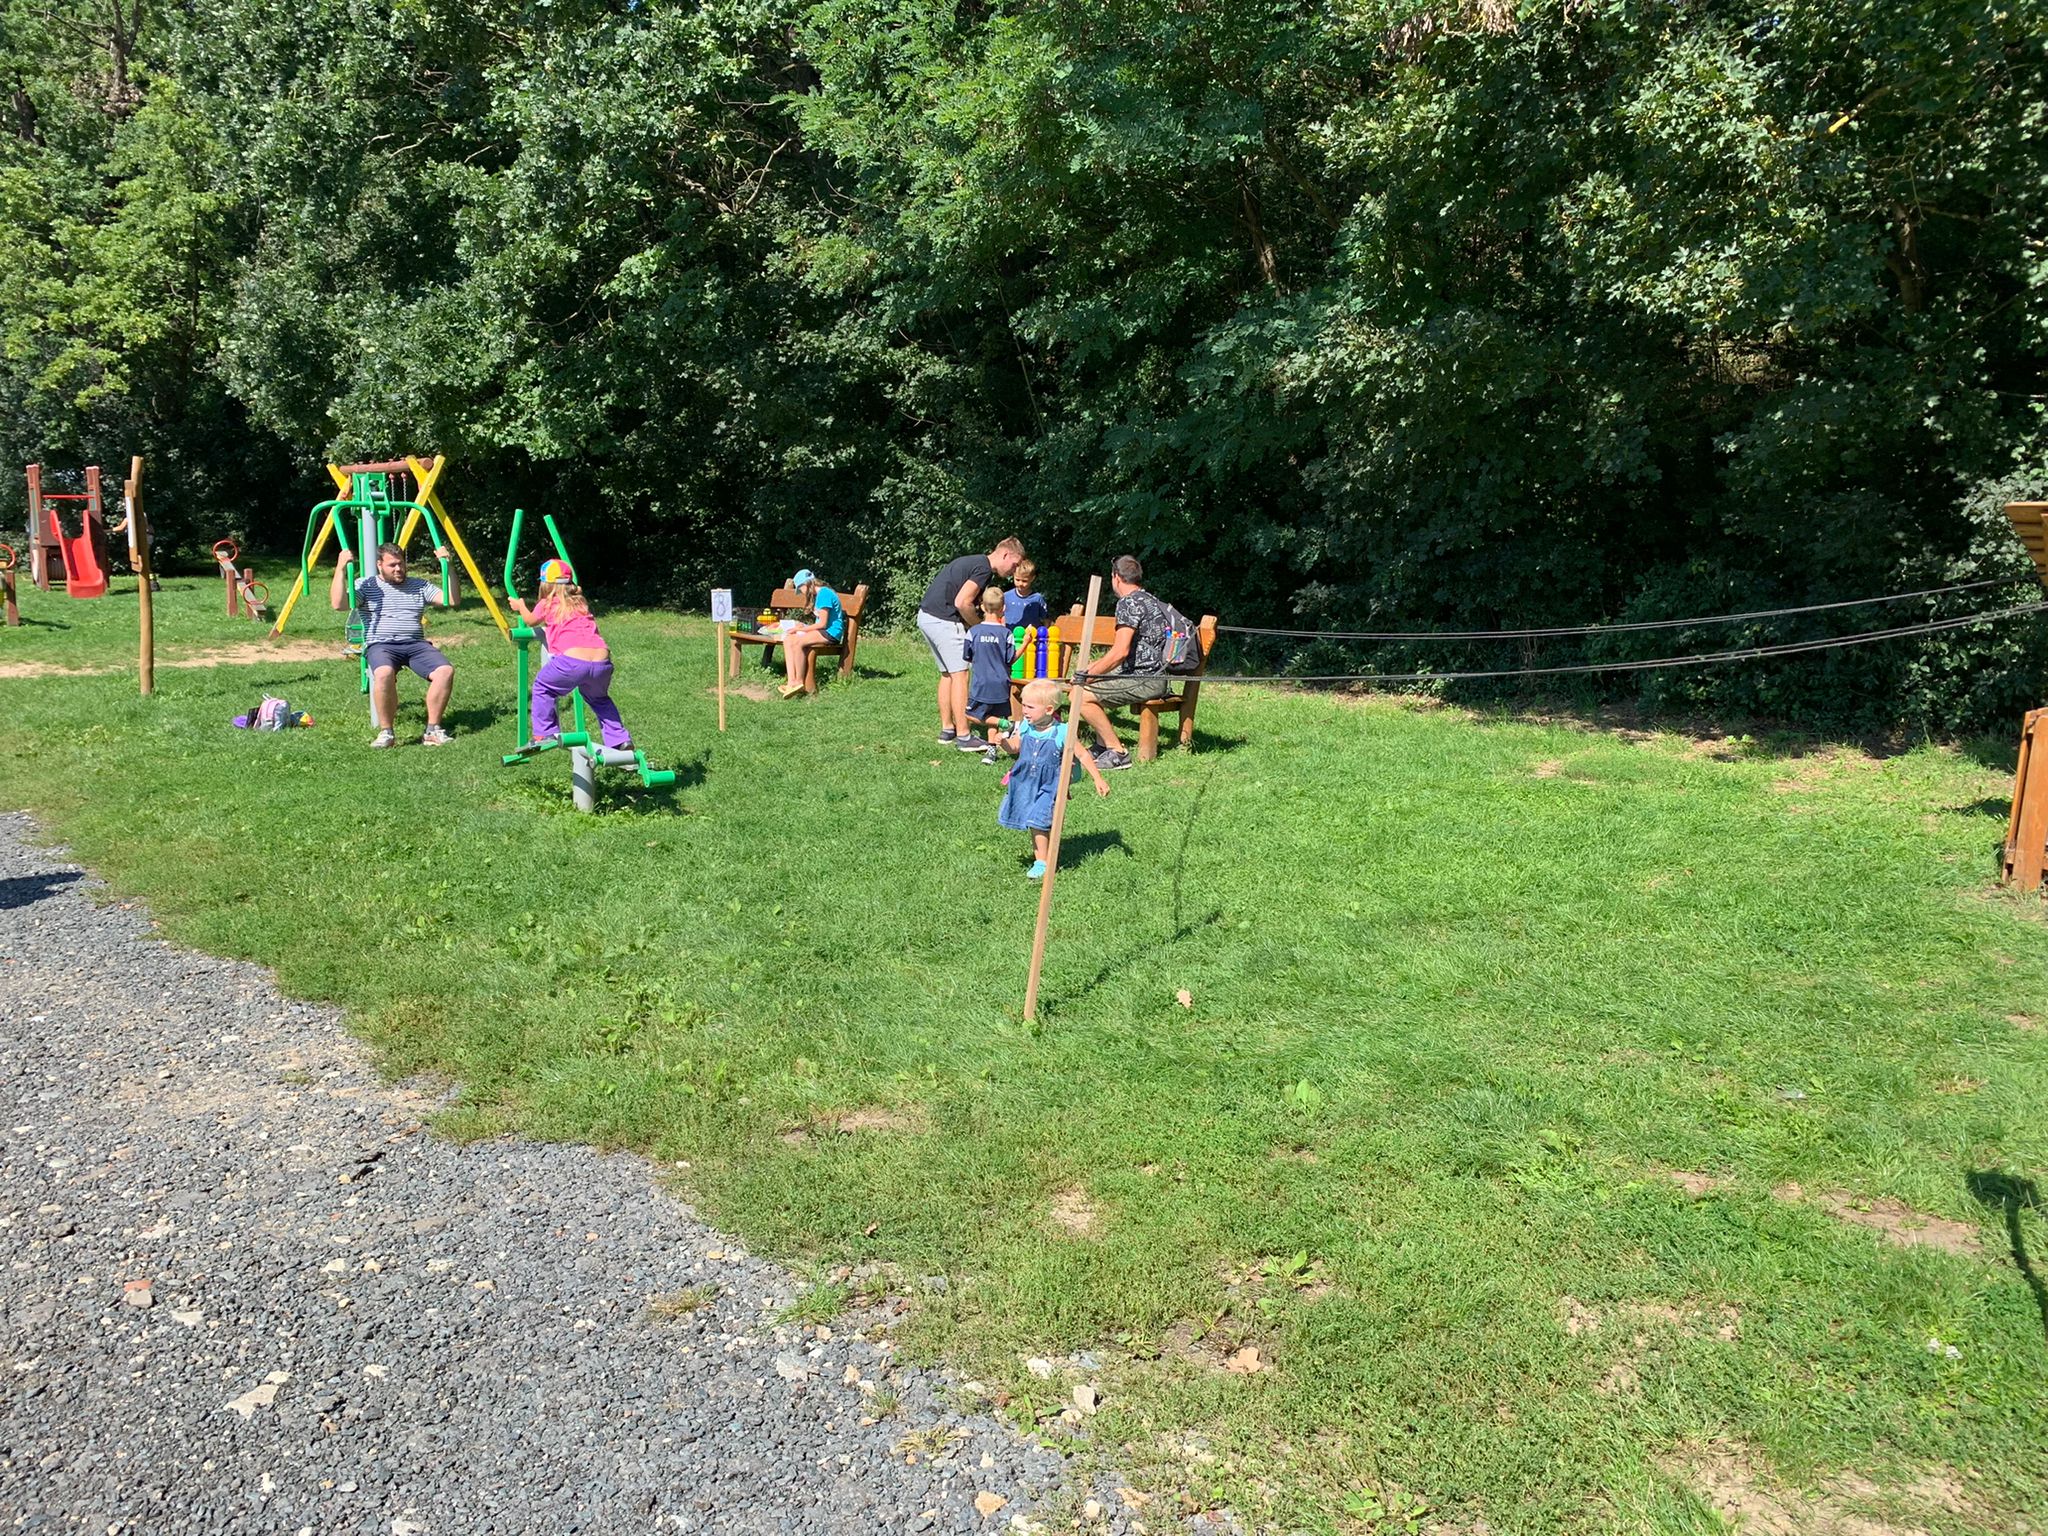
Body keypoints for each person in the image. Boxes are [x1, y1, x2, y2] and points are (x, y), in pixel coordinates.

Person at [331, 540, 456, 748]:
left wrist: (449, 566)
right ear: (379, 564)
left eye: (401, 564)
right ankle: (386, 732)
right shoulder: (366, 585)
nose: (398, 569)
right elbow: (339, 604)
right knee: (383, 673)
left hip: (415, 643)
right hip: (382, 644)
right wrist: (341, 568)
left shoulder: (419, 585)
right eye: (392, 565)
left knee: (445, 671)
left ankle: (432, 730)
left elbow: (451, 599)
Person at [507, 558, 633, 750]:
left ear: (545, 584)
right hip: (602, 661)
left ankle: (545, 734)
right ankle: (620, 739)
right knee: (599, 699)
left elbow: (531, 620)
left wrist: (520, 606)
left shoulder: (547, 603)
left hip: (572, 661)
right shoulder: (580, 602)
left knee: (542, 687)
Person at [1073, 554, 1180, 771]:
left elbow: (1120, 652)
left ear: (1116, 577)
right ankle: (1102, 746)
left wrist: (1088, 676)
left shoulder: (1128, 603)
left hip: (1145, 680)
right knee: (1083, 686)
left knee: (1079, 695)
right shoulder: (1149, 599)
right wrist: (1091, 670)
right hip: (1154, 677)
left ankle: (1117, 752)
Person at [917, 537, 1025, 751]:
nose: (1014, 571)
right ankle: (964, 736)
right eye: (1014, 565)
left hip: (926, 617)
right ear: (1005, 554)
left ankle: (948, 729)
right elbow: (962, 602)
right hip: (944, 620)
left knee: (947, 674)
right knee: (961, 675)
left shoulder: (974, 561)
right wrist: (979, 627)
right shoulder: (983, 568)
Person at [998, 679, 1110, 879]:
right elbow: (1015, 747)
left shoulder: (1062, 732)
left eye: (1030, 707)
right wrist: (1004, 743)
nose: (1024, 711)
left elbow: (1083, 755)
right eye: (1024, 705)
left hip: (1051, 785)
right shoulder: (1026, 726)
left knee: (1039, 820)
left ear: (1049, 709)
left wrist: (1098, 779)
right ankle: (1043, 857)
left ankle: (1042, 862)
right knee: (1033, 820)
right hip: (1026, 782)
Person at [961, 587, 1017, 758]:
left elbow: (967, 656)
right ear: (1003, 609)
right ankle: (991, 751)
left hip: (981, 683)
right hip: (1001, 684)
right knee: (994, 714)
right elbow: (1010, 659)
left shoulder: (973, 632)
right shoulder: (1006, 633)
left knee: (970, 714)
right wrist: (1026, 643)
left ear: (982, 607)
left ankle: (1008, 725)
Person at [775, 569, 845, 699]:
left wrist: (803, 630)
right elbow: (820, 623)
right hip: (823, 631)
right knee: (788, 639)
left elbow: (823, 624)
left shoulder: (824, 594)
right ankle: (791, 682)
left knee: (798, 642)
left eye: (800, 589)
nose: (801, 593)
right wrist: (803, 627)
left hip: (831, 633)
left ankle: (798, 682)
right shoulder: (819, 595)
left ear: (806, 584)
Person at [1003, 559, 1049, 630]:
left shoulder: (1037, 598)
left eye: (1024, 581)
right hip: (1010, 635)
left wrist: (1045, 633)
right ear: (1013, 575)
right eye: (1017, 580)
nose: (1020, 584)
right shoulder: (1006, 596)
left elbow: (1046, 620)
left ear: (1032, 578)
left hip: (1032, 635)